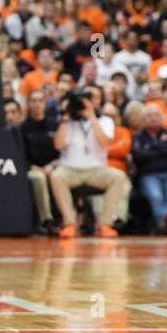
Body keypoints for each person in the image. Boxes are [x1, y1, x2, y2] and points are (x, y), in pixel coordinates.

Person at [50, 88, 129, 239]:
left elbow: (104, 142)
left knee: (118, 176)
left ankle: (105, 224)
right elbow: (58, 145)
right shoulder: (67, 121)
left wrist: (92, 117)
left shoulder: (105, 121)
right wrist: (66, 117)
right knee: (56, 175)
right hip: (70, 170)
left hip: (96, 171)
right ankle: (69, 224)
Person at [130, 105, 167, 233]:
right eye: (149, 116)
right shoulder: (138, 136)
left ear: (162, 118)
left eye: (156, 115)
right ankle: (166, 224)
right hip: (149, 175)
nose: (153, 118)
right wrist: (162, 148)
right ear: (142, 120)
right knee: (155, 195)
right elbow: (138, 155)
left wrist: (150, 148)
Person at [21, 87, 61, 234]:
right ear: (28, 104)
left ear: (45, 103)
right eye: (33, 101)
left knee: (57, 175)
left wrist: (53, 164)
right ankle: (47, 221)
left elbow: (63, 152)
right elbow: (19, 155)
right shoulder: (23, 128)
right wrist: (31, 167)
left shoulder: (55, 125)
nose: (37, 104)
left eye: (40, 101)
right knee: (39, 177)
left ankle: (65, 220)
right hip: (32, 169)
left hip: (54, 166)